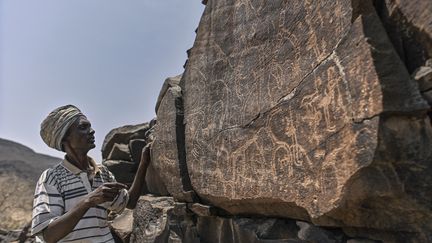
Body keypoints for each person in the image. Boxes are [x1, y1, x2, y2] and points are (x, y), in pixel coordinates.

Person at [31, 105, 151, 243]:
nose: (92, 131)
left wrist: (144, 163)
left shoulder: (103, 173)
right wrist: (88, 201)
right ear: (64, 138)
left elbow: (129, 202)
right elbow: (49, 235)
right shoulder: (52, 178)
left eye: (90, 126)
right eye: (83, 127)